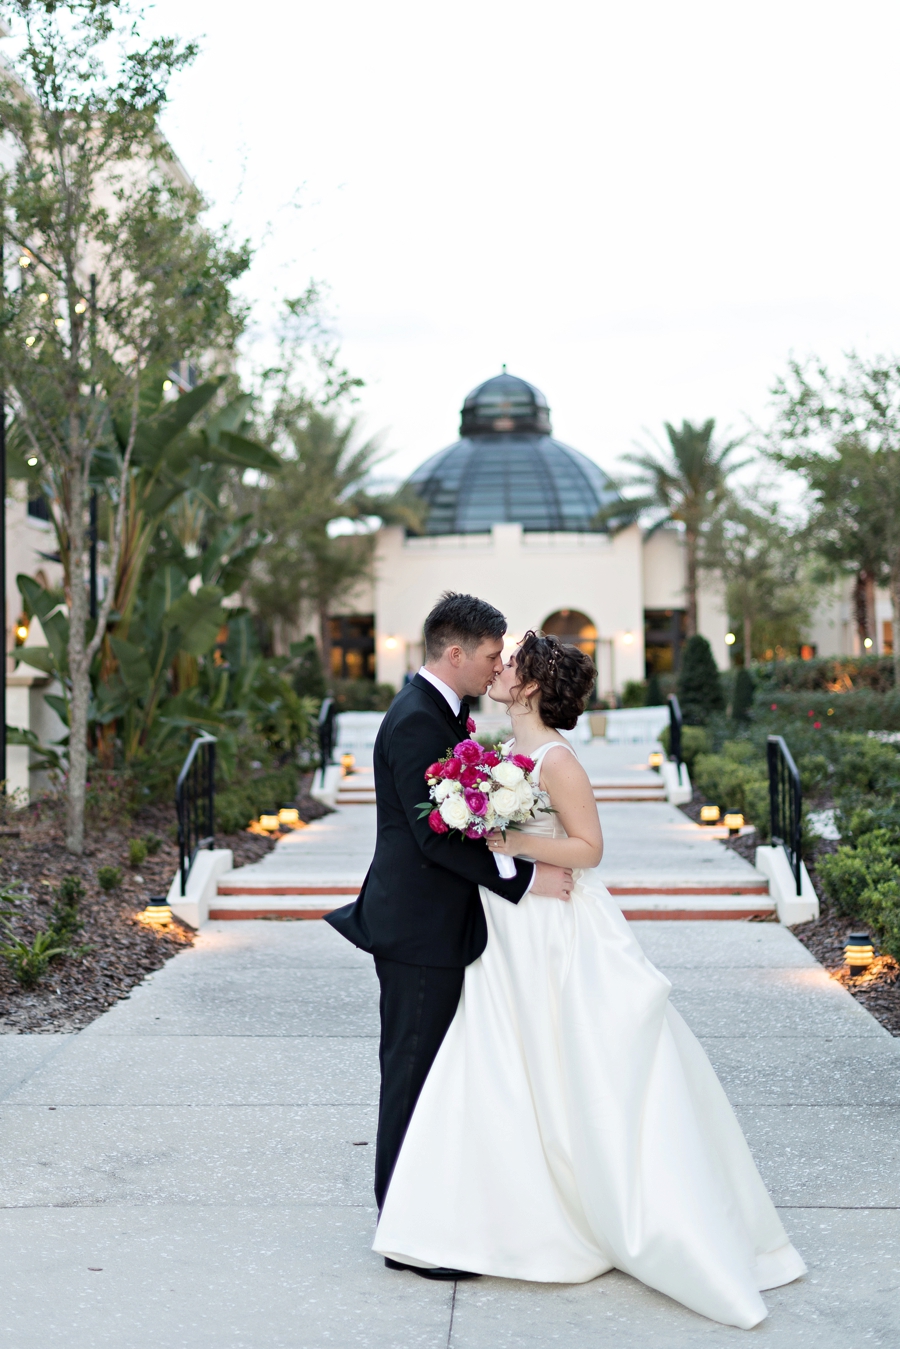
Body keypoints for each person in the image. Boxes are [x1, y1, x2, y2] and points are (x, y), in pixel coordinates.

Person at [372, 631, 806, 1329]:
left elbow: (589, 849)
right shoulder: (498, 750)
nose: (499, 668)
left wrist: (507, 840)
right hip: (508, 930)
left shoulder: (555, 759)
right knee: (506, 1068)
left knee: (572, 1064)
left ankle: (589, 1207)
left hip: (558, 931)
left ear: (533, 686)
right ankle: (500, 1210)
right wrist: (480, 823)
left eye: (510, 664)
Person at [325, 596, 573, 1281]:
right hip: (417, 928)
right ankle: (404, 1234)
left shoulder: (443, 713)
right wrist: (523, 877)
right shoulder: (414, 721)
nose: (500, 664)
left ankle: (423, 1217)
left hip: (437, 924)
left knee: (431, 1075)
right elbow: (435, 837)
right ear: (455, 653)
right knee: (410, 1073)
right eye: (493, 654)